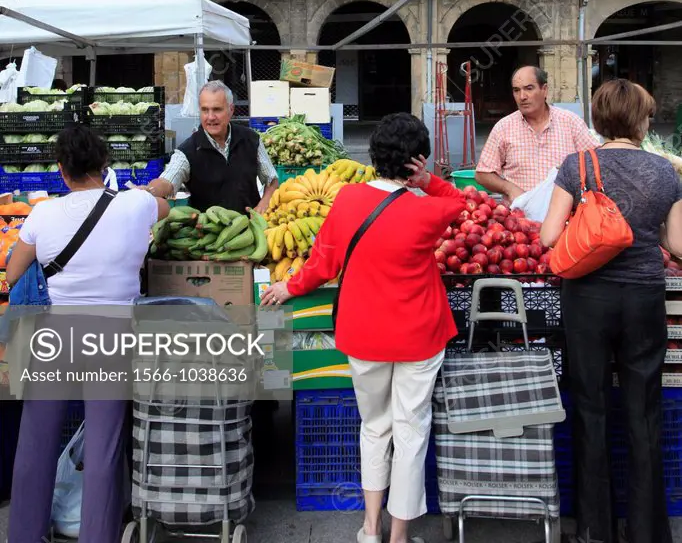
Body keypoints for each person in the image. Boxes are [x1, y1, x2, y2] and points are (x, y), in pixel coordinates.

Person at [261, 113, 467, 543]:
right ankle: (400, 536)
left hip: (364, 334)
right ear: (417, 159)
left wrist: (288, 286)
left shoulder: (349, 200)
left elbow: (322, 265)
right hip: (420, 334)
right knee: (411, 430)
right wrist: (426, 179)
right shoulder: (428, 209)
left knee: (374, 427)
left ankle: (371, 528)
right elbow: (459, 201)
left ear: (373, 156)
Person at [6, 123, 169, 543]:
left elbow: (13, 271)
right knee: (103, 445)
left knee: (36, 439)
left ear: (61, 170)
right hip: (110, 336)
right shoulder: (134, 204)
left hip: (55, 334)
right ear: (104, 163)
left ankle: (24, 533)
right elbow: (165, 206)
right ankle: (97, 535)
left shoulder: (42, 214)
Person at [540, 79, 682, 543]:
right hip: (644, 299)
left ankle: (593, 530)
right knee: (644, 413)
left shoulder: (577, 164)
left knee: (591, 408)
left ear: (600, 119)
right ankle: (647, 532)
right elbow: (678, 245)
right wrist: (647, 234)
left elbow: (546, 237)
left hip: (588, 299)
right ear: (641, 119)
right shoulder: (665, 173)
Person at [147, 80, 278, 214]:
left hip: (249, 226)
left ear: (231, 110)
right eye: (205, 110)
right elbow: (168, 181)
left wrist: (265, 201)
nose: (210, 117)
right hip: (208, 230)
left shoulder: (251, 139)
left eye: (217, 109)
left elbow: (271, 179)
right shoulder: (188, 151)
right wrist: (149, 191)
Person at [476, 65, 595, 203]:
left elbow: (596, 163)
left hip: (566, 216)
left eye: (529, 88)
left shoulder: (571, 123)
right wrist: (508, 188)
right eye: (516, 90)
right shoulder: (504, 127)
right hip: (518, 219)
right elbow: (482, 173)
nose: (522, 96)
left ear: (544, 90)